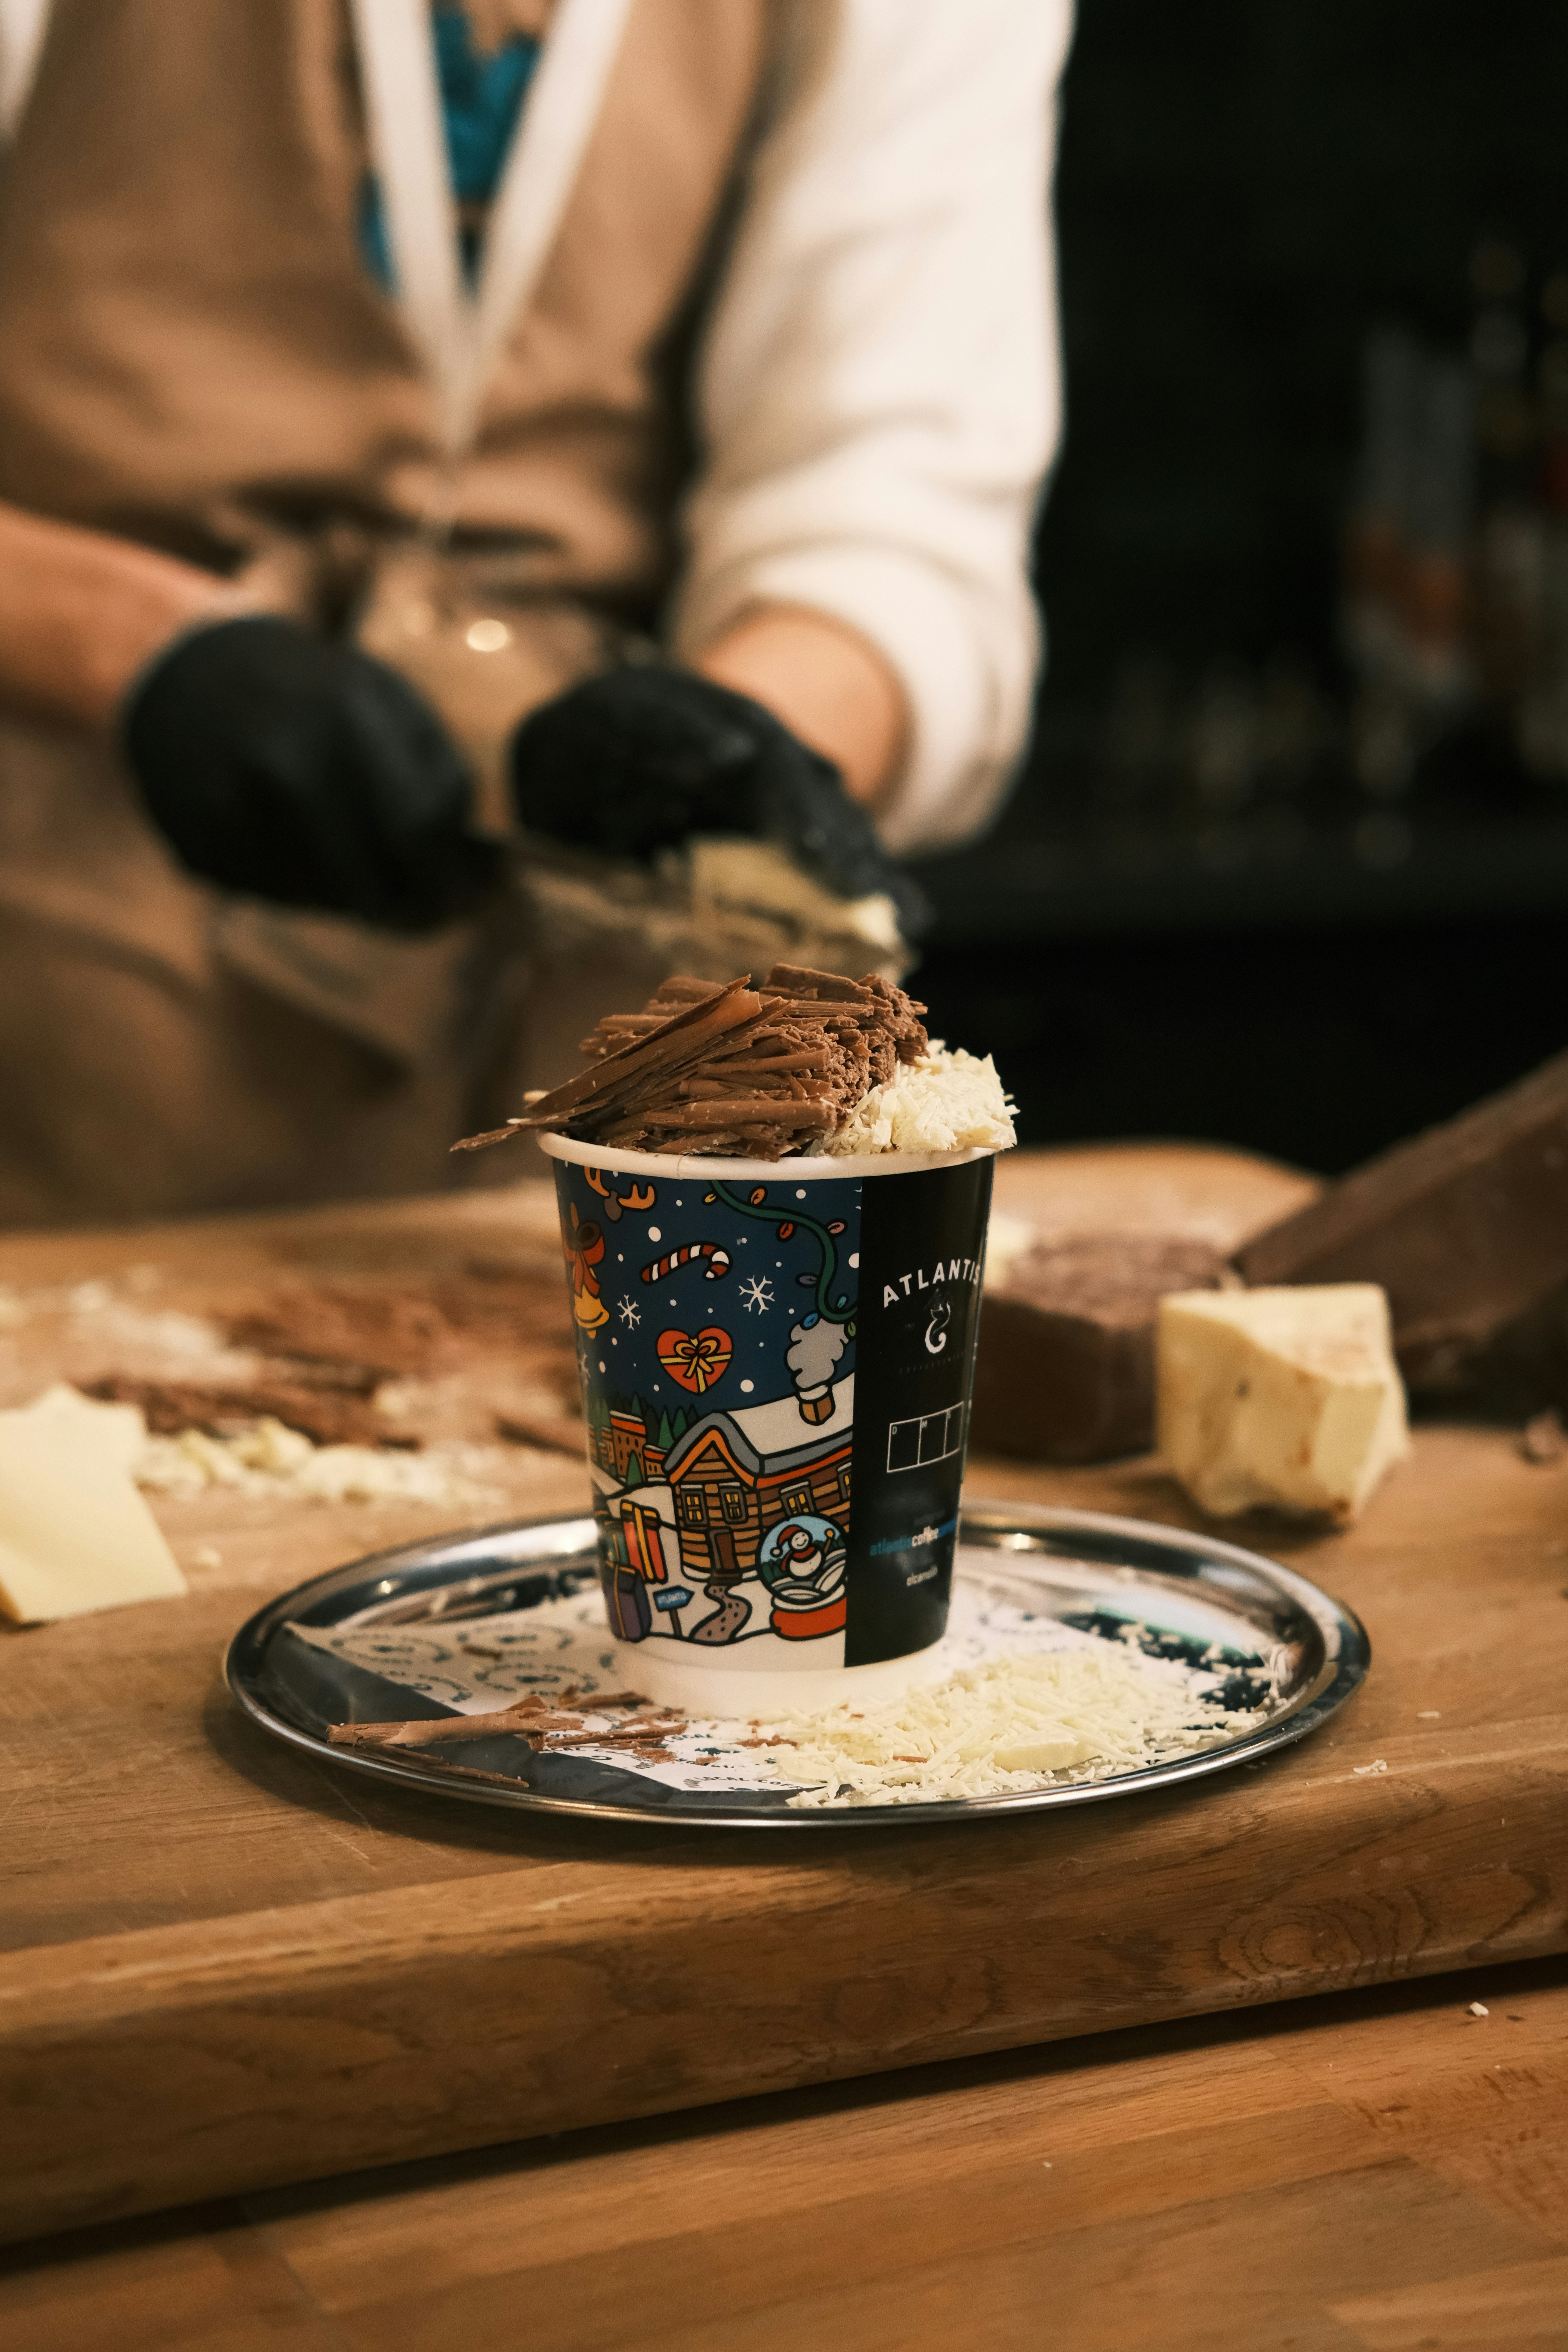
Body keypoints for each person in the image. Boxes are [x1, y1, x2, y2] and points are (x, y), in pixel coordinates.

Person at [0, 0, 1068, 1225]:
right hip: (69, 987)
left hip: (592, 1038)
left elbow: (890, 493)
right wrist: (132, 650)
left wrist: (732, 740)